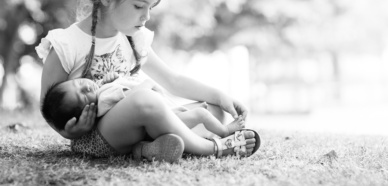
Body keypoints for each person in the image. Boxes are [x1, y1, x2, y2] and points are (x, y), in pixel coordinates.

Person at [36, 0, 260, 162]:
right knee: (145, 100)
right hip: (100, 137)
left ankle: (145, 149)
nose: (146, 17)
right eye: (138, 6)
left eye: (149, 8)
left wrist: (220, 97)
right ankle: (212, 147)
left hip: (143, 119)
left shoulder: (133, 38)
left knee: (214, 110)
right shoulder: (66, 44)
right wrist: (72, 132)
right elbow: (51, 110)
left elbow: (173, 80)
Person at [41, 73, 246, 138]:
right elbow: (137, 95)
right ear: (88, 110)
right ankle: (226, 132)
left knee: (210, 109)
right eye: (83, 97)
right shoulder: (103, 99)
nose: (85, 87)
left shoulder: (101, 94)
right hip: (163, 116)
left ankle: (200, 135)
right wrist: (148, 83)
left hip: (162, 117)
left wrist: (113, 80)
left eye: (78, 83)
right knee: (202, 113)